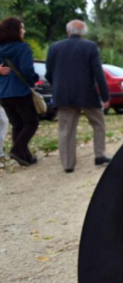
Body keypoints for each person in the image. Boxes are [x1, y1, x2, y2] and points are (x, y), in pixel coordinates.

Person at [46, 20, 110, 173]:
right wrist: (105, 96)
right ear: (84, 33)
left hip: (63, 95)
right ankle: (100, 155)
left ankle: (68, 164)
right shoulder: (90, 47)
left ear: (68, 31)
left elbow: (49, 73)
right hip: (87, 93)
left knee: (66, 130)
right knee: (98, 124)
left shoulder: (54, 47)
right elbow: (98, 73)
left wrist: (58, 86)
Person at [0, 17, 39, 167]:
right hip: (20, 92)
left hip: (3, 93)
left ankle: (25, 157)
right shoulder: (23, 48)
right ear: (15, 31)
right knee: (31, 122)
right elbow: (27, 70)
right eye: (22, 28)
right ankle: (17, 150)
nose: (24, 31)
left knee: (18, 124)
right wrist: (33, 80)